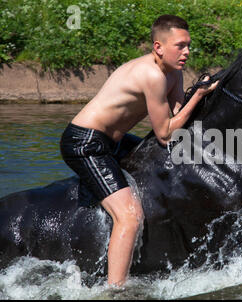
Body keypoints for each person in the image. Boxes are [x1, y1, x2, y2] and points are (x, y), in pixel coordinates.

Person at [60, 14, 219, 287]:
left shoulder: (173, 72)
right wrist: (199, 97)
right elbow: (166, 133)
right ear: (158, 47)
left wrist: (202, 96)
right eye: (180, 46)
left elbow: (181, 115)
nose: (187, 52)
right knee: (130, 216)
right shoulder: (152, 75)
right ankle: (115, 291)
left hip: (114, 142)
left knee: (167, 162)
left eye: (188, 45)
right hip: (85, 144)